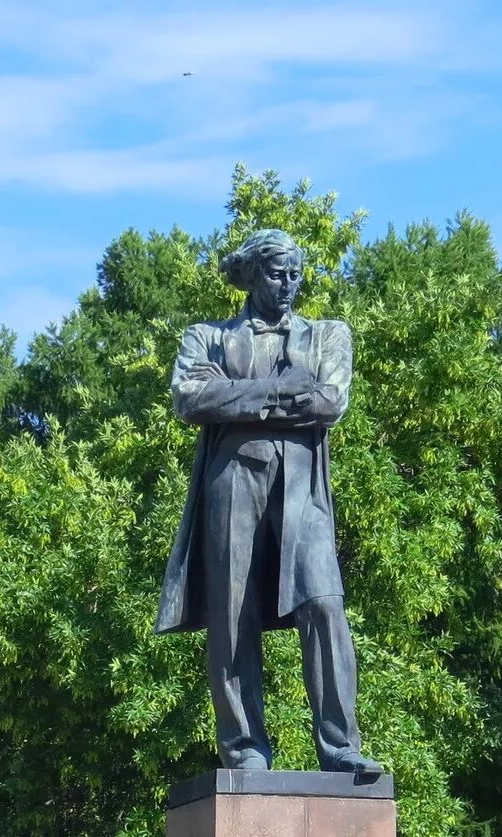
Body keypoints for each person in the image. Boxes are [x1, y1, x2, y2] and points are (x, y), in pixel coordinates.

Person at [160, 226, 380, 775]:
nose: (290, 284)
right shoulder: (208, 336)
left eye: (297, 273)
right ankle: (245, 749)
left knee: (324, 603)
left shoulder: (328, 334)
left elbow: (329, 402)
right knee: (232, 614)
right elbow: (190, 397)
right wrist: (283, 391)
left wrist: (233, 394)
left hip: (302, 484)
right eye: (279, 273)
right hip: (232, 476)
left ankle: (340, 747)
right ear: (254, 274)